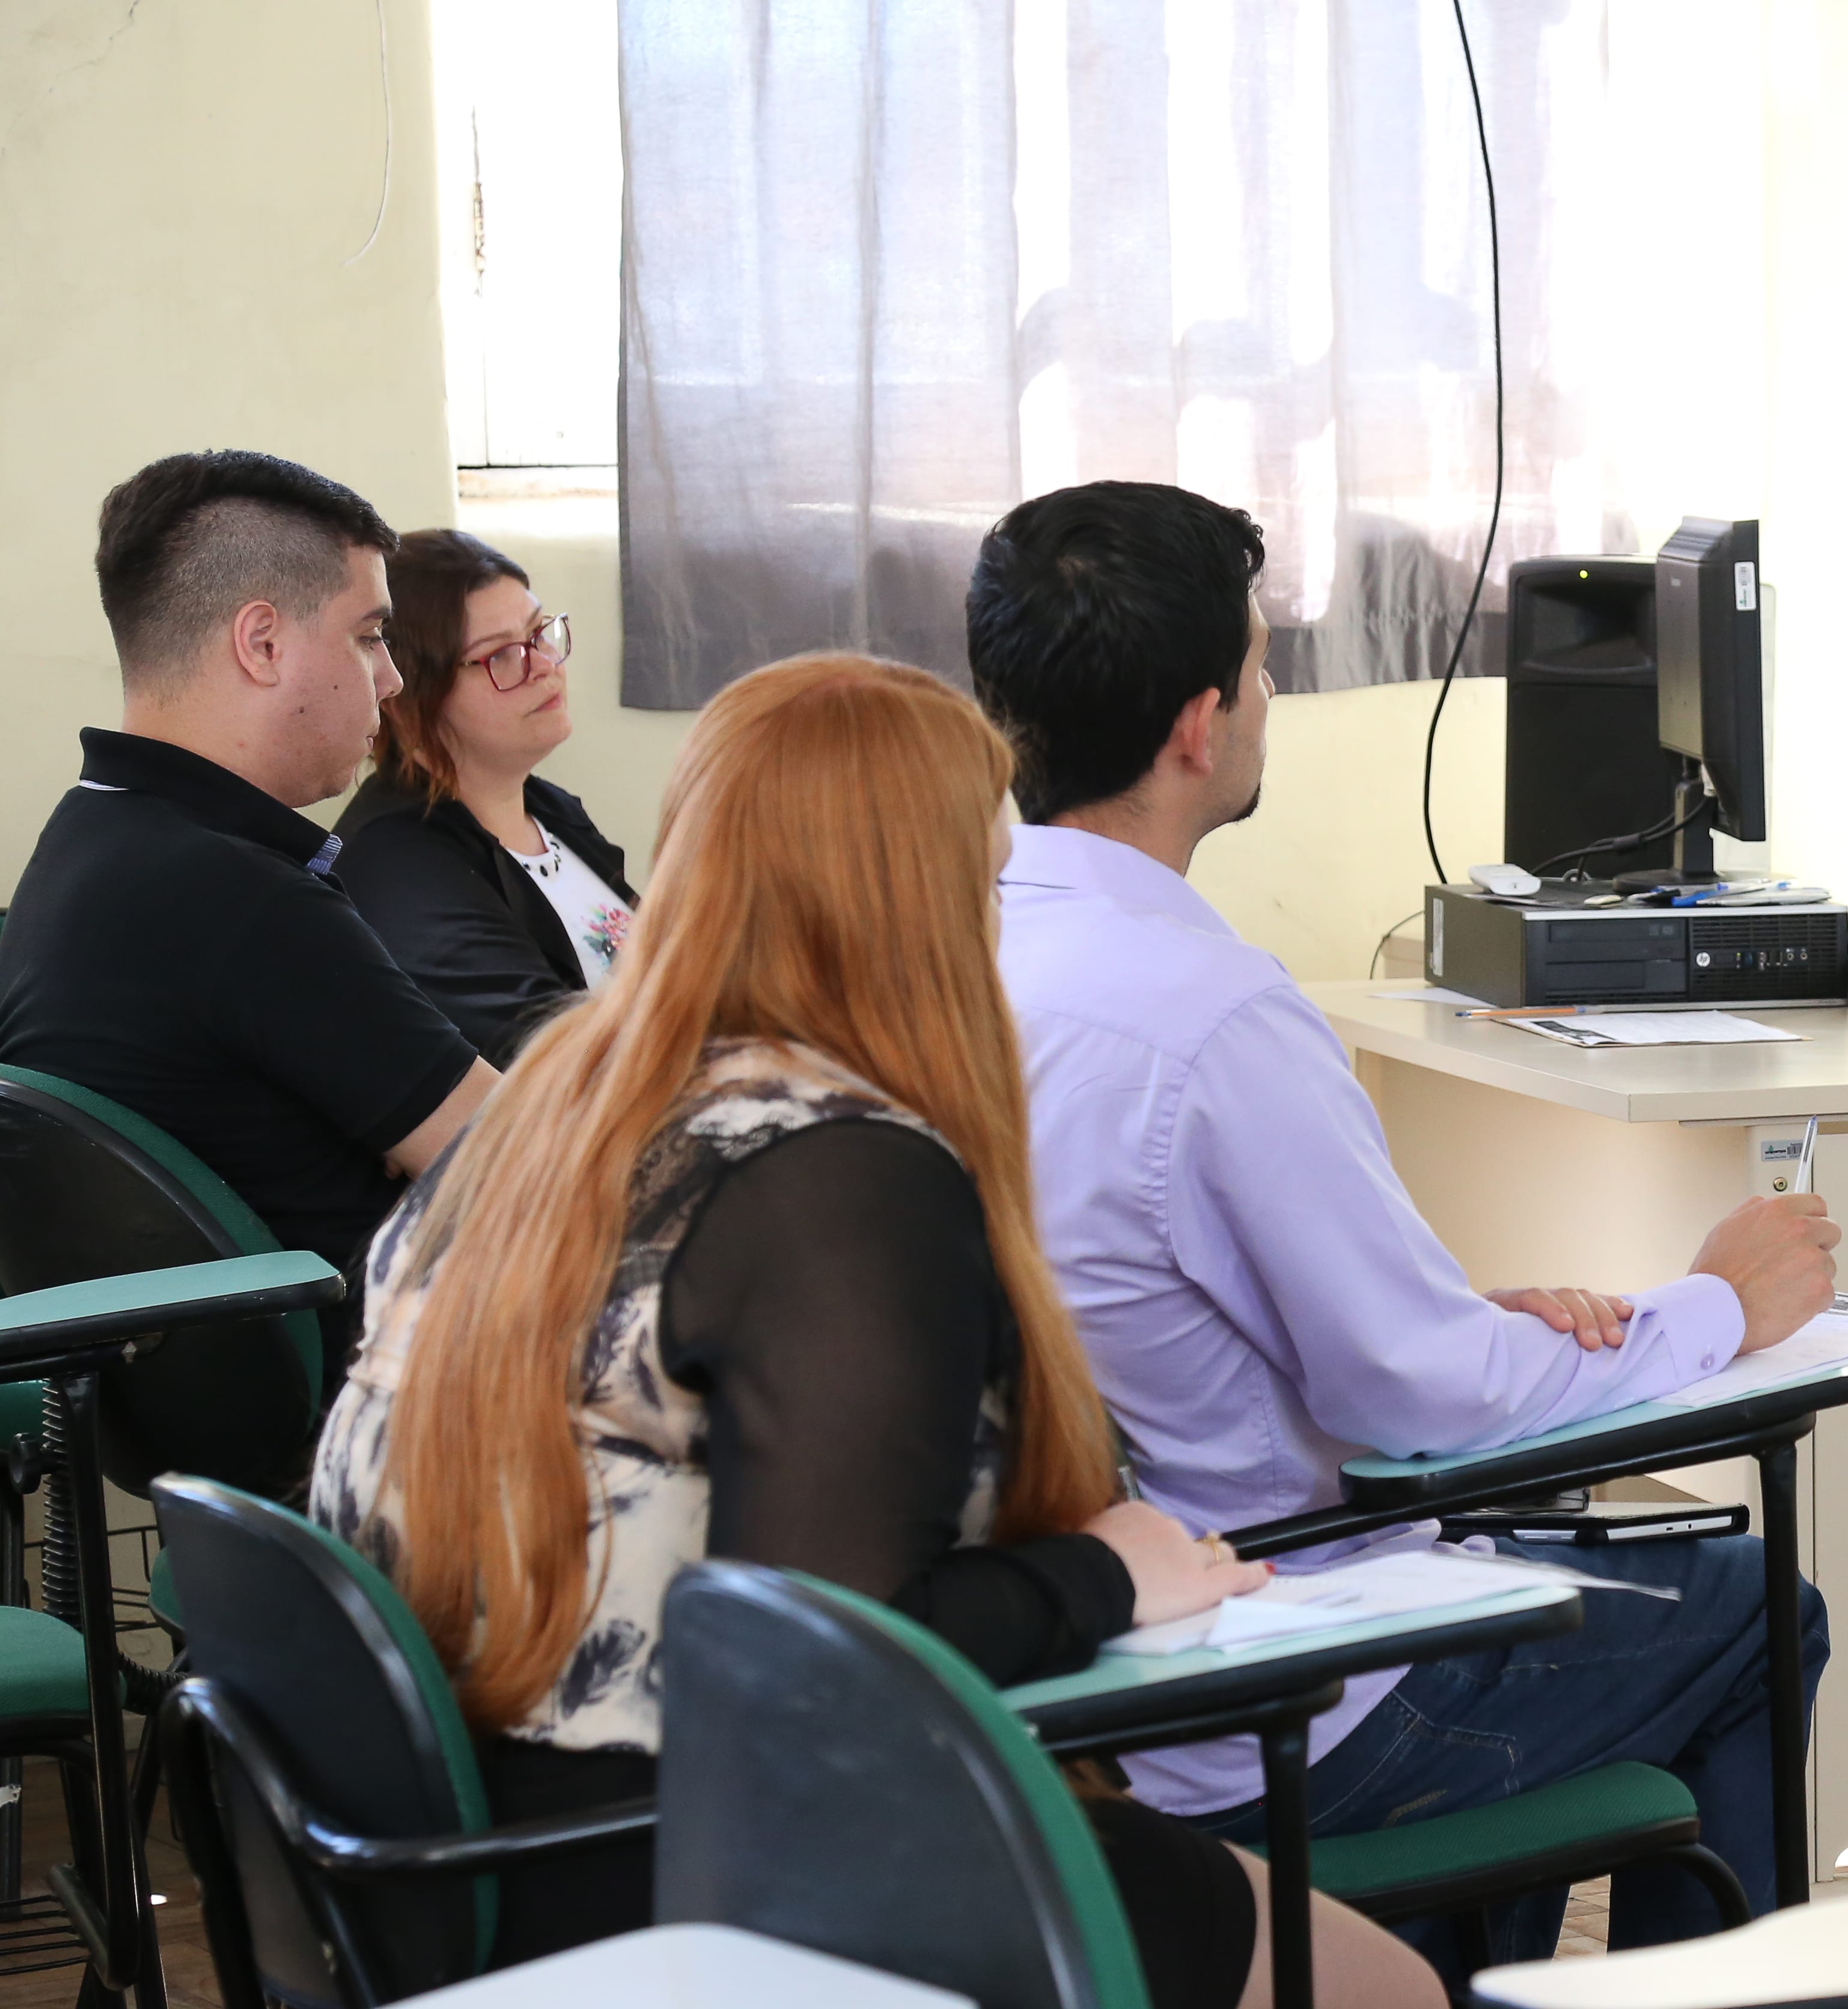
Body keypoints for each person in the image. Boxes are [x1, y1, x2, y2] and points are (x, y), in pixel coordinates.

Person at [311, 654, 1439, 2009]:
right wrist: (1105, 1573)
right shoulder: (839, 1175)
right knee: (1386, 1989)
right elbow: (830, 1651)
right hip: (693, 1866)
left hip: (469, 1850)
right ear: (928, 908)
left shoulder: (555, 1102)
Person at [965, 481, 1841, 1972]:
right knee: (1759, 1604)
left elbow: (1175, 1309)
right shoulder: (1215, 1017)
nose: (1262, 705)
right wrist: (1712, 1306)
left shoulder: (960, 951)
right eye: (1255, 670)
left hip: (1063, 1662)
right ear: (1197, 726)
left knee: (1543, 1547)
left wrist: (1455, 1313)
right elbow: (1417, 1398)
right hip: (1267, 1684)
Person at [0, 451, 496, 1373]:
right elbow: (522, 1160)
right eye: (368, 635)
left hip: (213, 1415)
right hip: (394, 1411)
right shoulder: (234, 897)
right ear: (262, 642)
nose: (390, 679)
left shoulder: (87, 843)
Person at [335, 530, 638, 1063]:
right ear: (407, 697)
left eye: (539, 632)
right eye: (501, 655)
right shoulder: (398, 865)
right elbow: (551, 1061)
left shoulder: (550, 808)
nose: (546, 665)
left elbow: (678, 970)